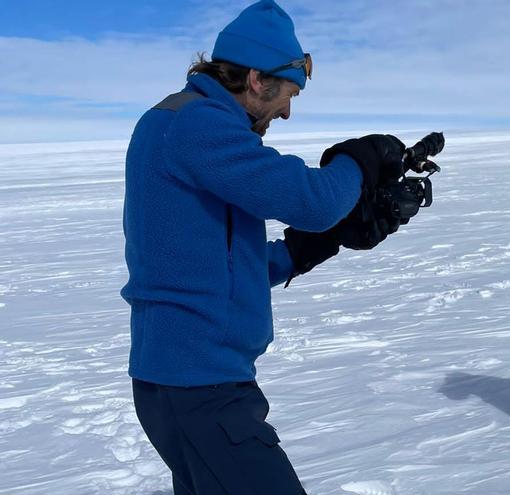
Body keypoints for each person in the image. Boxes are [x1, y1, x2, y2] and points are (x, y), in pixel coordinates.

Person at [120, 1, 406, 493]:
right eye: (289, 93)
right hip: (201, 388)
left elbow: (217, 260)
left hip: (184, 383)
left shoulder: (178, 121)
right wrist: (360, 160)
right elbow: (313, 201)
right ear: (257, 79)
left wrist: (311, 248)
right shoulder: (199, 125)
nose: (289, 111)